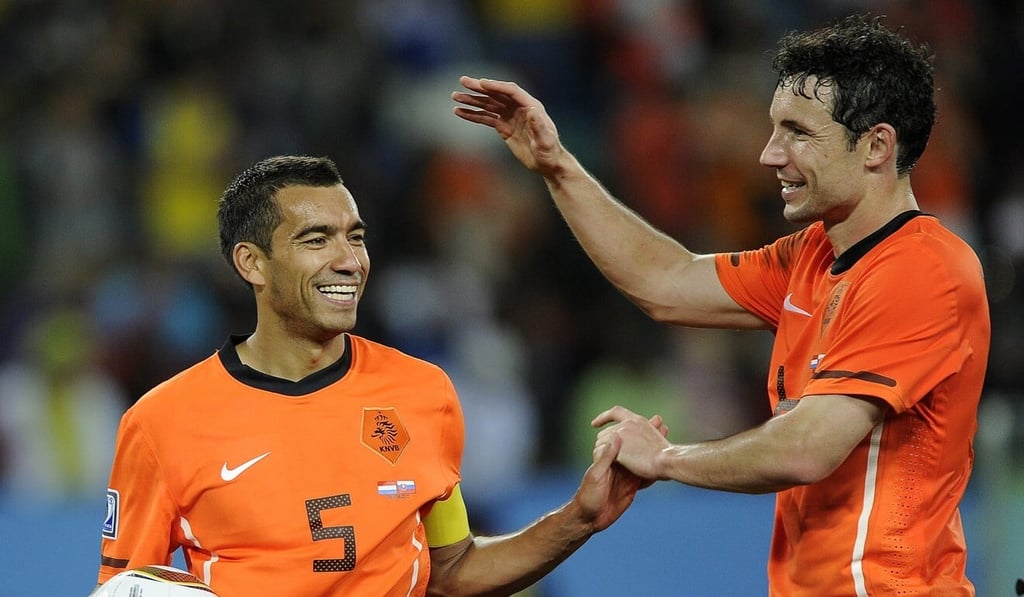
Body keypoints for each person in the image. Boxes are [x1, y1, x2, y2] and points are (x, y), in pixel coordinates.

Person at [453, 13, 989, 596]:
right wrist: (558, 167)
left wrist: (665, 458)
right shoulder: (812, 255)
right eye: (773, 129)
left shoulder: (921, 270)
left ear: (876, 146)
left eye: (798, 133)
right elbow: (667, 280)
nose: (769, 154)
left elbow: (807, 447)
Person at [93, 155, 665, 596]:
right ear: (252, 263)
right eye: (316, 240)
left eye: (355, 236)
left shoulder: (424, 394)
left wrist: (579, 519)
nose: (349, 260)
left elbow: (453, 570)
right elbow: (125, 588)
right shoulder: (162, 422)